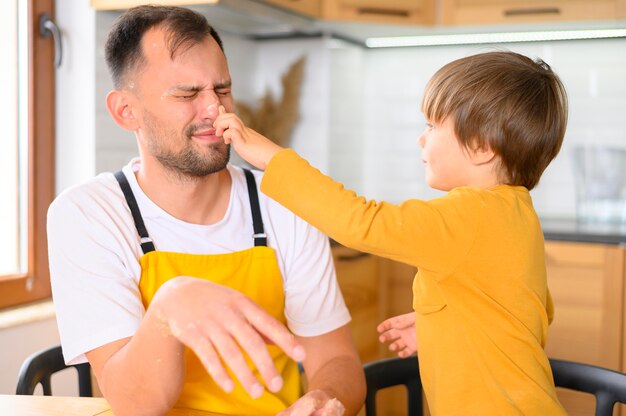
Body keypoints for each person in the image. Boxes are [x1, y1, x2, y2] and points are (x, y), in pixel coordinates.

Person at [47, 5, 364, 416]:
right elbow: (134, 404)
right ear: (126, 111)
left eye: (222, 89)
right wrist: (168, 308)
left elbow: (337, 361)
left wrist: (325, 399)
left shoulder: (283, 204)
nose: (214, 109)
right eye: (187, 94)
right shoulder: (88, 215)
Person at [216, 50, 569, 414]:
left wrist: (271, 158)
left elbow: (361, 222)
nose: (421, 139)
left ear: (481, 147)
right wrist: (448, 324)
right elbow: (526, 309)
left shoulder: (468, 214)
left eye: (432, 126)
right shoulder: (516, 213)